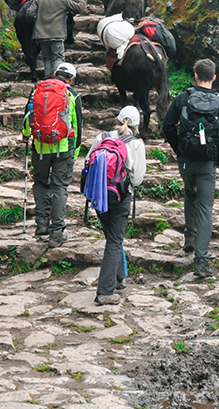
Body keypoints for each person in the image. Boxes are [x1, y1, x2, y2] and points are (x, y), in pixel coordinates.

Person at [162, 59, 219, 279]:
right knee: (205, 208)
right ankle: (201, 262)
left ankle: (189, 238)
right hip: (207, 163)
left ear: (195, 75)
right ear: (214, 77)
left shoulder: (184, 98)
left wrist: (179, 149)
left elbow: (167, 125)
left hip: (185, 161)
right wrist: (216, 158)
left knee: (189, 192)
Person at [86, 106, 146, 305]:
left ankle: (119, 277)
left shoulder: (101, 137)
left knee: (112, 236)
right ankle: (105, 291)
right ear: (136, 126)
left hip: (98, 196)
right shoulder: (136, 144)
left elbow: (88, 163)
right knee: (114, 240)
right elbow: (136, 180)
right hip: (120, 197)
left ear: (118, 120)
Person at [22, 62, 83, 247]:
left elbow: (28, 116)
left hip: (40, 146)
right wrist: (75, 151)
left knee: (40, 183)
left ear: (55, 73)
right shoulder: (72, 94)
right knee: (59, 187)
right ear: (71, 79)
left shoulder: (37, 90)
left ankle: (41, 224)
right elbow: (78, 126)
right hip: (63, 147)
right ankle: (57, 232)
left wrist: (26, 136)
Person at [28, 0, 87, 79]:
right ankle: (57, 80)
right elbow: (78, 8)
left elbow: (29, 13)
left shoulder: (39, 0)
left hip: (41, 35)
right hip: (57, 34)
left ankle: (48, 79)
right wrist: (84, 0)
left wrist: (36, 22)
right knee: (58, 58)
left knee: (47, 58)